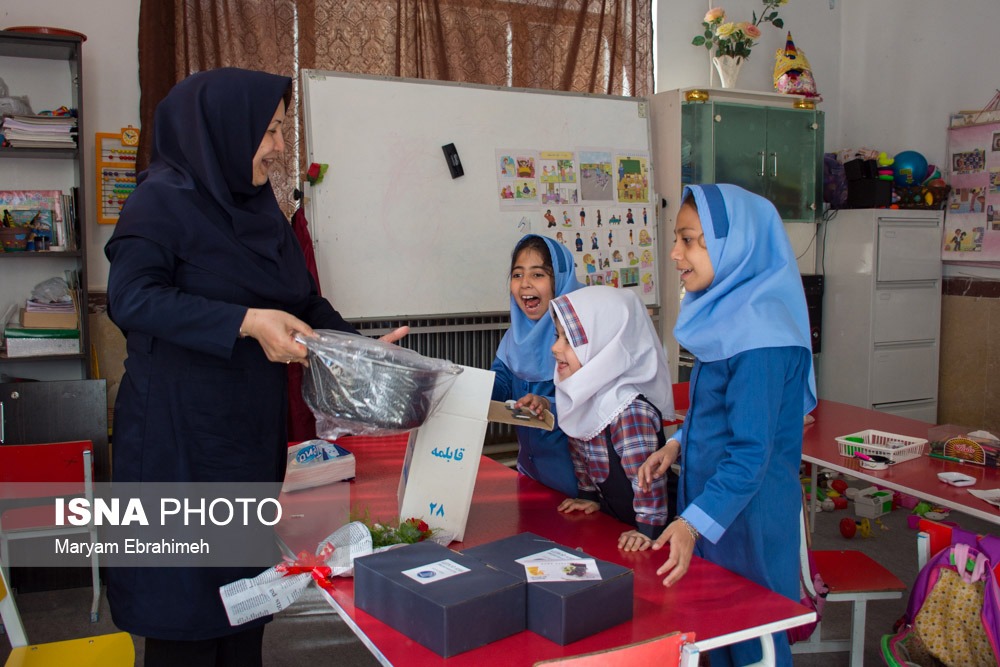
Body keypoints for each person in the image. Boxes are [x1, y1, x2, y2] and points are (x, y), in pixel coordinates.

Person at [104, 68, 406, 667]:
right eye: (266, 131)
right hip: (176, 449)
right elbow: (131, 298)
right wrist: (245, 321)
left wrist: (361, 348)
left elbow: (302, 301)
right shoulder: (161, 201)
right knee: (184, 621)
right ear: (221, 131)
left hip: (244, 442)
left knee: (245, 609)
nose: (277, 146)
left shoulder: (260, 210)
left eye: (280, 130)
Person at [638, 184, 816, 667]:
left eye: (689, 240)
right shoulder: (730, 315)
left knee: (752, 634)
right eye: (678, 240)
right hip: (716, 508)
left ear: (736, 245)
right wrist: (678, 444)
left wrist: (692, 525)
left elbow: (750, 453)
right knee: (714, 631)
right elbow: (711, 412)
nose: (675, 254)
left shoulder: (760, 337)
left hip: (747, 518)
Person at [520, 285, 672, 551]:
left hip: (656, 535)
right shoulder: (584, 396)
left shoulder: (628, 412)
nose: (555, 348)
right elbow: (582, 453)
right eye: (558, 336)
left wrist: (648, 530)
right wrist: (590, 497)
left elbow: (649, 480)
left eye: (569, 341)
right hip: (618, 525)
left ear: (605, 347)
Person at [491, 234, 583, 498]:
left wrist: (547, 404)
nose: (525, 285)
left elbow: (593, 402)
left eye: (538, 275)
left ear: (561, 281)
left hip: (577, 482)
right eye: (517, 275)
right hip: (530, 473)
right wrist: (466, 387)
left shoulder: (580, 337)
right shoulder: (515, 335)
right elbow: (501, 381)